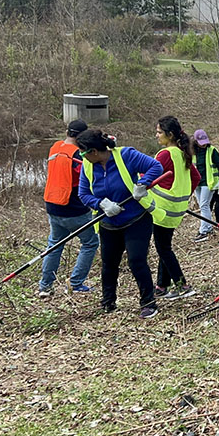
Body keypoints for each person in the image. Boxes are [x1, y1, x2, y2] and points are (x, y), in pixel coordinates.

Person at [77, 129, 163, 318]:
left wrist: (143, 184)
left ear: (94, 151)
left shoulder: (126, 155)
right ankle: (108, 302)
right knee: (109, 264)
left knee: (136, 260)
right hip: (108, 223)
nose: (82, 157)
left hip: (136, 219)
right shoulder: (88, 165)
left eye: (83, 153)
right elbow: (83, 193)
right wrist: (100, 203)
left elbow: (156, 167)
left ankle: (148, 302)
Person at [38, 119, 99, 298]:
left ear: (67, 132)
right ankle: (76, 283)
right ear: (82, 137)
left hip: (52, 205)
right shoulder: (78, 155)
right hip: (73, 208)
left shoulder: (55, 147)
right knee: (90, 243)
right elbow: (89, 177)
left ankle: (45, 287)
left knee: (54, 246)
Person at [152, 116, 202, 300]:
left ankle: (182, 285)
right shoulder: (183, 153)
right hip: (176, 209)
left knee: (163, 248)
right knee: (164, 246)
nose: (156, 135)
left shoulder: (165, 154)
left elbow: (147, 175)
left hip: (162, 210)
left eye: (159, 132)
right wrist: (183, 195)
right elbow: (195, 178)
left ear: (170, 134)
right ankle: (161, 285)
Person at [192, 129, 219, 242]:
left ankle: (204, 231)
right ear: (196, 141)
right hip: (197, 183)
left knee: (204, 205)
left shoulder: (212, 150)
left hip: (208, 182)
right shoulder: (192, 151)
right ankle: (209, 227)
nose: (204, 144)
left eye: (205, 142)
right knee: (202, 206)